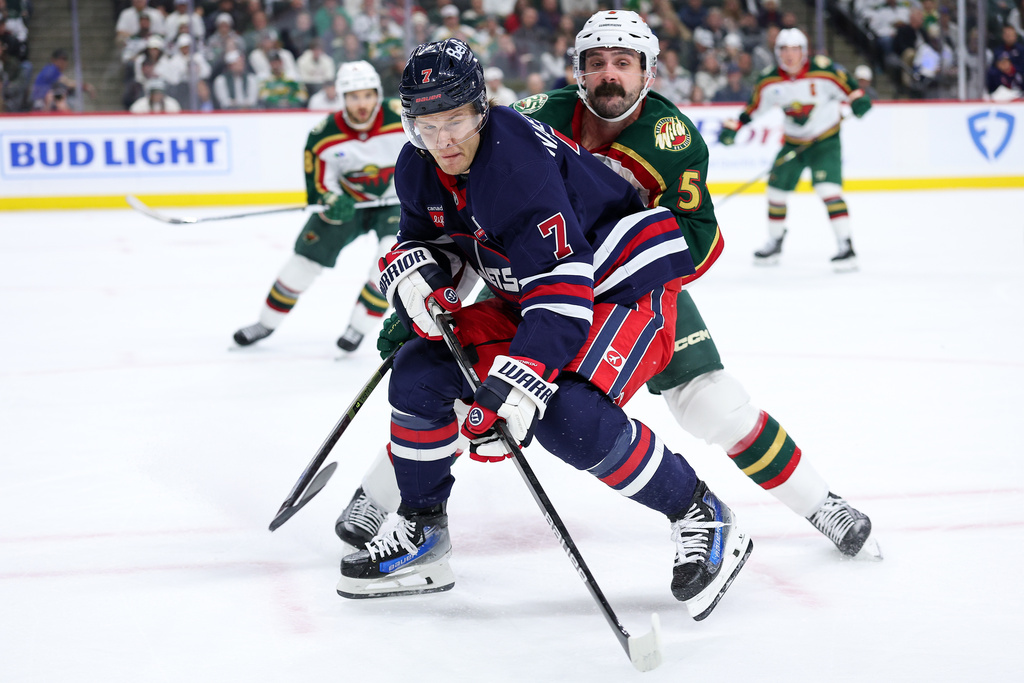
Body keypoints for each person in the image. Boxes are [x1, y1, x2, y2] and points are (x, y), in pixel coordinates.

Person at [336, 14, 877, 569]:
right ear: (578, 70)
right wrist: (434, 287)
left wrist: (596, 272)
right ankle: (390, 500)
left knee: (710, 404)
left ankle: (822, 505)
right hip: (538, 282)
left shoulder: (672, 138)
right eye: (596, 63)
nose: (608, 76)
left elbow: (698, 238)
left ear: (647, 71)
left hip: (631, 282)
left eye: (623, 63)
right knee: (460, 370)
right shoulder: (531, 118)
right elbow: (473, 216)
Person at [335, 37, 753, 622]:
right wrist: (417, 274)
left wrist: (516, 382)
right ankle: (423, 532)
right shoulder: (418, 163)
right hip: (534, 291)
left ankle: (700, 512)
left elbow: (564, 283)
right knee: (420, 373)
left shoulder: (515, 165)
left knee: (565, 416)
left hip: (620, 287)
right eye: (426, 125)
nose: (443, 140)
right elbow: (429, 238)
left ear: (480, 108)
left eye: (455, 120)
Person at [233, 61, 405, 351]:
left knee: (389, 263)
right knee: (303, 261)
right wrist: (331, 199)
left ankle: (357, 327)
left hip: (393, 202)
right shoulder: (322, 134)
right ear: (341, 98)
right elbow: (318, 186)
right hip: (348, 204)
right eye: (353, 96)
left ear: (377, 93)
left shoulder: (402, 118)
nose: (361, 104)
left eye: (367, 95)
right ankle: (265, 322)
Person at [718, 28, 872, 271]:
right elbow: (754, 108)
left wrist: (859, 100)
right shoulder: (769, 80)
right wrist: (735, 127)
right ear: (777, 52)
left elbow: (851, 89)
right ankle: (775, 242)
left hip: (825, 141)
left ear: (804, 51)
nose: (790, 55)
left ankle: (846, 246)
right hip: (793, 142)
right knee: (775, 191)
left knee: (828, 190)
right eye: (784, 50)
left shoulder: (824, 71)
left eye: (795, 49)